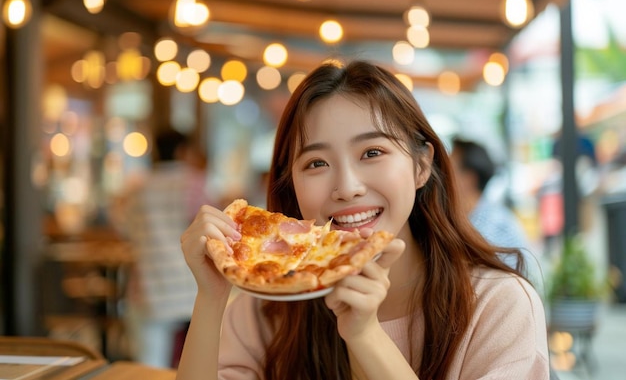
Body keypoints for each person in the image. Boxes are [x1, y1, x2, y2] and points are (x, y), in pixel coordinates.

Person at [177, 60, 549, 379]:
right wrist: (210, 298)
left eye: (372, 152)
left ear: (422, 166)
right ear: (291, 184)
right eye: (316, 163)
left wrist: (366, 335)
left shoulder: (498, 305)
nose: (347, 187)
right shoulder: (267, 309)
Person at [117, 129, 207, 368]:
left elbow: (125, 228)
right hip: (189, 284)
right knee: (196, 362)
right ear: (182, 151)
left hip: (149, 283)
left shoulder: (138, 186)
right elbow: (210, 229)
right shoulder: (193, 182)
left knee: (150, 364)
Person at [449, 138, 536, 269]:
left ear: (469, 179)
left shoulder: (495, 227)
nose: (441, 175)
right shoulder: (467, 220)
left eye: (449, 169)